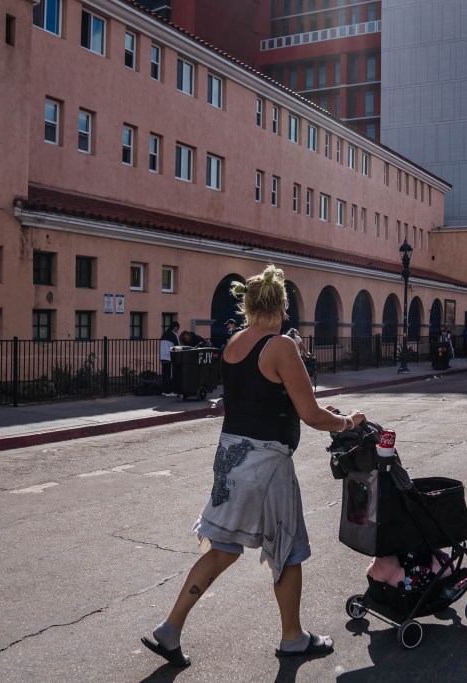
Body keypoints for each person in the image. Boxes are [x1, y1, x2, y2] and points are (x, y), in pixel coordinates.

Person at [141, 265, 367, 667]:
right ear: (281, 306)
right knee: (288, 548)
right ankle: (293, 638)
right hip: (267, 462)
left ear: (248, 307)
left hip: (230, 456)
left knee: (222, 549)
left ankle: (170, 628)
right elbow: (311, 415)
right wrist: (348, 421)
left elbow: (261, 397)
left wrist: (314, 411)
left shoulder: (234, 342)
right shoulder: (281, 346)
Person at [159, 321, 181, 397]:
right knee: (170, 375)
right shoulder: (174, 335)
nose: (177, 330)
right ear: (175, 327)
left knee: (164, 375)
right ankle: (169, 391)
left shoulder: (164, 334)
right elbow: (178, 347)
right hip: (170, 358)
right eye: (177, 328)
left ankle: (164, 391)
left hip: (163, 357)